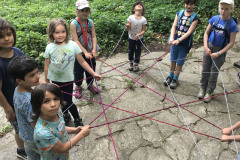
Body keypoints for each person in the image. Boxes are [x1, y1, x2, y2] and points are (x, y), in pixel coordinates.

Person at [44, 18, 102, 127]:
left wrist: (93, 73)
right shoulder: (50, 47)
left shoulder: (73, 45)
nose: (61, 35)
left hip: (68, 80)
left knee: (68, 101)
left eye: (63, 32)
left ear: (67, 32)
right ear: (51, 33)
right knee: (58, 100)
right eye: (57, 32)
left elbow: (82, 62)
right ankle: (65, 114)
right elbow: (46, 65)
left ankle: (77, 118)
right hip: (54, 80)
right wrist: (47, 81)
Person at [32, 83, 90, 160]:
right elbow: (62, 148)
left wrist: (75, 130)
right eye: (46, 101)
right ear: (37, 105)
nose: (53, 104)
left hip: (64, 157)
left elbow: (60, 127)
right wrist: (81, 134)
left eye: (56, 99)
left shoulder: (58, 112)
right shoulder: (42, 133)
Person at [198, 0, 238, 102]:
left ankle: (209, 91)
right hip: (209, 48)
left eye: (226, 9)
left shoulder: (232, 25)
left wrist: (219, 53)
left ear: (231, 9)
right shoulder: (214, 19)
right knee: (205, 69)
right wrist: (206, 47)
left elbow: (231, 43)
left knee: (213, 72)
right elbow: (206, 33)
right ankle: (202, 88)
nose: (223, 11)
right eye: (222, 8)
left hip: (220, 51)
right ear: (219, 8)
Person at [0, 19, 27, 159]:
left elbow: (28, 72)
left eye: (9, 34)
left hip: (25, 98)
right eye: (1, 36)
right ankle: (21, 150)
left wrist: (42, 83)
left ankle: (30, 144)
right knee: (19, 128)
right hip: (12, 103)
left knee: (27, 123)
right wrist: (8, 109)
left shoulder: (17, 52)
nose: (6, 38)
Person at [7, 56, 43, 159]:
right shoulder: (30, 101)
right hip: (35, 139)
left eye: (37, 72)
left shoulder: (18, 89)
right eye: (32, 75)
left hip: (25, 136)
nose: (37, 76)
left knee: (33, 157)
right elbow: (36, 125)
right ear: (19, 80)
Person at [164, 0, 199, 89]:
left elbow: (189, 32)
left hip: (185, 43)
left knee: (180, 61)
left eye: (191, 4)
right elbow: (174, 26)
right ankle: (170, 76)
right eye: (187, 4)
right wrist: (172, 37)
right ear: (184, 4)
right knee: (173, 59)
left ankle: (175, 79)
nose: (189, 6)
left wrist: (179, 40)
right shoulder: (179, 13)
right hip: (175, 41)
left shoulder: (195, 18)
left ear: (194, 5)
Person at [70, 0, 100, 98]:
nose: (85, 13)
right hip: (79, 52)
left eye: (87, 10)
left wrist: (94, 50)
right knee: (78, 71)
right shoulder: (74, 24)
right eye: (82, 10)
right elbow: (75, 40)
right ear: (77, 11)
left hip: (90, 51)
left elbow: (94, 36)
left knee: (91, 68)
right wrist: (85, 52)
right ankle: (78, 87)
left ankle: (90, 84)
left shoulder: (90, 22)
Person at [125, 1, 147, 72]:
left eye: (140, 5)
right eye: (137, 5)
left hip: (139, 38)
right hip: (131, 38)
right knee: (131, 50)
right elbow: (127, 29)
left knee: (138, 51)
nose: (139, 5)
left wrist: (139, 35)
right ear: (134, 9)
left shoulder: (143, 19)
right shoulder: (130, 18)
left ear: (142, 10)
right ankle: (131, 62)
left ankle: (136, 64)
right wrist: (127, 26)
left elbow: (143, 30)